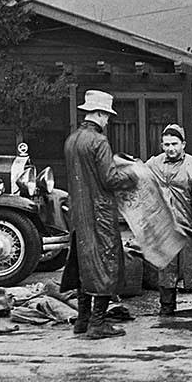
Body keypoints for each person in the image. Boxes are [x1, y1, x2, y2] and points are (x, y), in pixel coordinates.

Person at [61, 90, 136, 339]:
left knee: (84, 263)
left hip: (78, 213)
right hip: (100, 212)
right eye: (107, 116)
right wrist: (134, 173)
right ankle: (98, 323)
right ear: (101, 114)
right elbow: (109, 178)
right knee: (107, 262)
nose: (108, 121)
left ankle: (82, 321)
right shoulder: (99, 141)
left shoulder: (72, 140)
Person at [145, 124, 192, 315]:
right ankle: (167, 309)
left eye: (174, 144)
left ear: (183, 144)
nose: (170, 148)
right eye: (166, 144)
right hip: (167, 228)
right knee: (167, 271)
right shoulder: (154, 164)